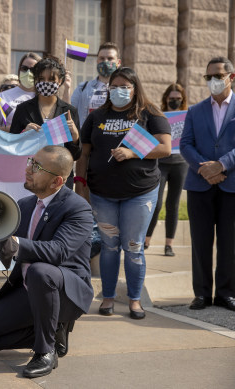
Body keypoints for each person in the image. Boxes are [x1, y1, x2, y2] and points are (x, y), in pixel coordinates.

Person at [0, 146, 93, 379]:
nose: (28, 170)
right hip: (27, 290)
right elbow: (8, 247)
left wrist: (14, 242)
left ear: (57, 181)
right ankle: (53, 331)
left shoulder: (78, 208)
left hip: (66, 291)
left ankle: (45, 351)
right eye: (30, 162)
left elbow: (58, 252)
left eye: (37, 167)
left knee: (40, 271)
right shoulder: (23, 206)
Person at [75, 67, 171, 320]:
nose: (119, 90)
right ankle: (107, 297)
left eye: (125, 86)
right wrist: (80, 183)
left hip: (139, 193)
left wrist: (132, 152)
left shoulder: (149, 114)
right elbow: (84, 153)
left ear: (135, 88)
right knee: (108, 246)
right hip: (102, 193)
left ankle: (135, 300)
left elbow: (165, 148)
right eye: (114, 86)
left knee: (133, 246)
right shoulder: (97, 116)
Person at [180, 57, 235, 312]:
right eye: (208, 77)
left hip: (231, 184)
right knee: (200, 241)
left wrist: (221, 165)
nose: (212, 81)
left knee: (229, 241)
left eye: (217, 76)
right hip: (200, 184)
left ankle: (226, 293)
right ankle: (201, 293)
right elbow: (186, 145)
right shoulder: (195, 110)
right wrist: (206, 169)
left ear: (230, 77)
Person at [9, 55, 81, 188]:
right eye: (41, 78)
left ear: (60, 81)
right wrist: (24, 133)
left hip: (61, 181)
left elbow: (75, 155)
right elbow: (12, 148)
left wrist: (75, 137)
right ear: (35, 80)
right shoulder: (23, 109)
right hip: (30, 178)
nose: (46, 82)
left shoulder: (69, 112)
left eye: (51, 79)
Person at [145, 83, 189, 256]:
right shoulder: (159, 115)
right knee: (155, 204)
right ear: (166, 99)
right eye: (172, 99)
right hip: (161, 162)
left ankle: (168, 244)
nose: (175, 101)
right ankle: (147, 239)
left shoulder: (188, 115)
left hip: (180, 163)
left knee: (173, 204)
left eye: (178, 99)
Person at [70, 42, 122, 127]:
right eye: (102, 58)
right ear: (97, 61)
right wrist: (66, 88)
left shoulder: (124, 91)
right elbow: (69, 112)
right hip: (87, 138)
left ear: (118, 63)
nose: (105, 61)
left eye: (110, 58)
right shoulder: (82, 88)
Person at [0, 52, 41, 132]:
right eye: (24, 68)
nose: (28, 73)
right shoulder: (3, 97)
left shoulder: (45, 97)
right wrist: (20, 129)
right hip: (10, 143)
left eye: (33, 70)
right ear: (19, 69)